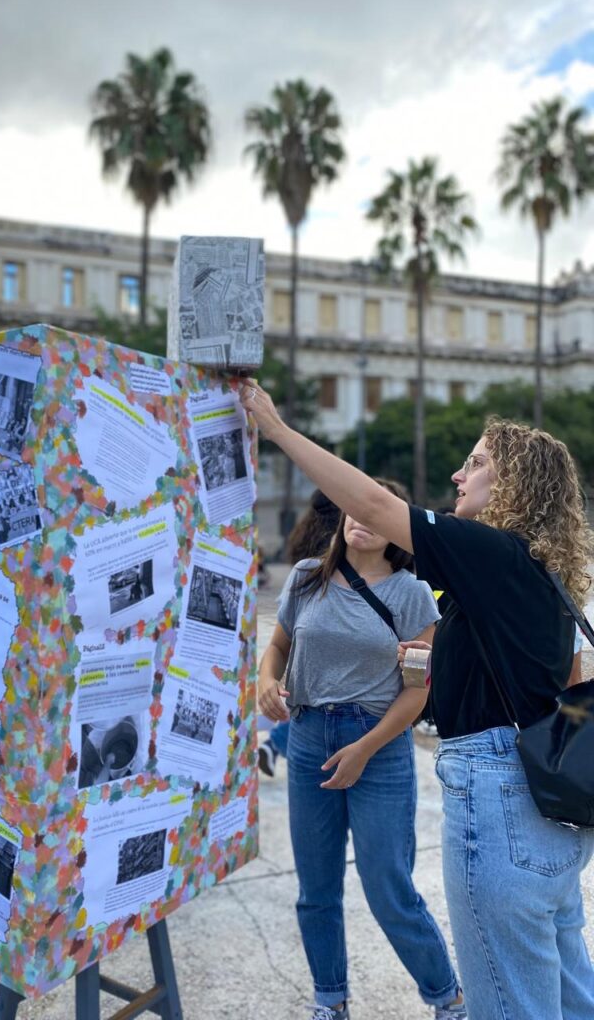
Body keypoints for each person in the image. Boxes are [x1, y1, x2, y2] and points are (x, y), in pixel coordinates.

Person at [241, 379, 594, 1019]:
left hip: (499, 799)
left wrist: (278, 429)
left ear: (513, 485)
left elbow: (375, 504)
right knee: (569, 996)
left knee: (509, 1003)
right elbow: (559, 686)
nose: (459, 475)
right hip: (548, 811)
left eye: (476, 462)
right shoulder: (542, 570)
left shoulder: (494, 551)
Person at [259, 477, 466, 1020]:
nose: (362, 518)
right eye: (355, 507)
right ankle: (330, 1000)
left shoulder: (412, 593)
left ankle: (447, 997)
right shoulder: (306, 578)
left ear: (397, 527)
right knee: (316, 889)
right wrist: (265, 680)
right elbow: (278, 645)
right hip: (308, 739)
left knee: (388, 888)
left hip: (380, 747)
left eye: (377, 512)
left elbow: (416, 692)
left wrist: (365, 749)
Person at [258, 488, 340, 776]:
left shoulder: (304, 535)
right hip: (328, 635)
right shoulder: (338, 542)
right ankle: (274, 745)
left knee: (303, 702)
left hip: (303, 632)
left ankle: (273, 745)